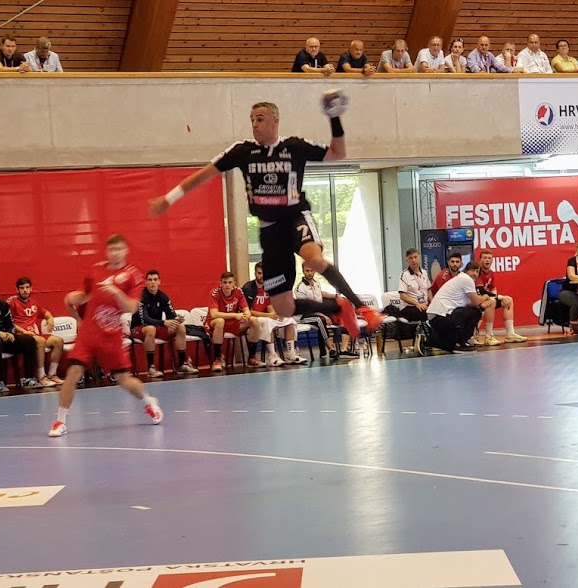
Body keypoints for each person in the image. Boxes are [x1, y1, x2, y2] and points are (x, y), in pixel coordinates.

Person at [149, 91, 383, 334]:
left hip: (295, 217)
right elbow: (203, 175)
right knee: (283, 308)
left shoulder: (294, 146)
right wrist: (168, 199)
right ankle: (337, 306)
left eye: (260, 119)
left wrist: (334, 117)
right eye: (252, 119)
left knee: (313, 258)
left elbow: (338, 153)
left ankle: (361, 307)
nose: (254, 124)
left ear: (275, 121)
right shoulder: (242, 151)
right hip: (270, 230)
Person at [49, 234, 163, 437]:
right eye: (111, 249)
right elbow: (85, 295)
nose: (115, 253)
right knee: (73, 372)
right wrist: (71, 301)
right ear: (106, 251)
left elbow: (131, 307)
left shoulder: (133, 275)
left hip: (111, 336)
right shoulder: (96, 270)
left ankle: (149, 403)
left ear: (126, 250)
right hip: (88, 335)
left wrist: (116, 292)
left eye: (119, 249)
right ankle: (60, 421)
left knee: (124, 379)